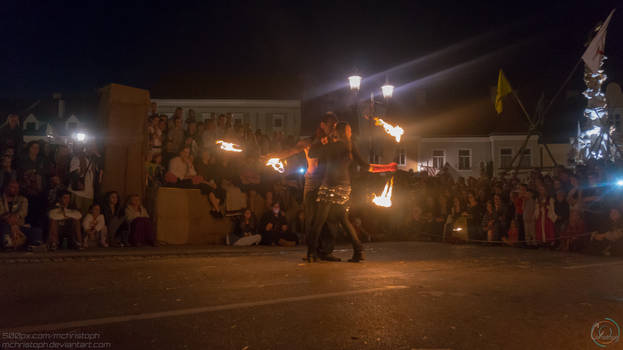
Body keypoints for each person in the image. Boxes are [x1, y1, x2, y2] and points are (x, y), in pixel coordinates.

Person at [264, 112, 341, 261]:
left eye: (335, 126)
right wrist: (273, 156)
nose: (333, 128)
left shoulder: (334, 142)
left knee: (329, 219)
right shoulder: (309, 142)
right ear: (322, 124)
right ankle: (311, 252)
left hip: (327, 182)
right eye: (330, 125)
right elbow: (290, 151)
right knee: (311, 219)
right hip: (311, 182)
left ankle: (326, 251)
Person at [307, 122, 371, 262]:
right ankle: (358, 251)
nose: (351, 133)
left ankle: (311, 253)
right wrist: (385, 168)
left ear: (337, 132)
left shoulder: (330, 145)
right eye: (350, 130)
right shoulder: (350, 146)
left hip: (329, 187)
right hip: (344, 188)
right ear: (346, 132)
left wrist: (322, 140)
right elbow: (365, 166)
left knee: (319, 221)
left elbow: (312, 153)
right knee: (343, 219)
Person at [0, 180, 43, 249]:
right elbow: (1, 213)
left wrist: (14, 221)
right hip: (4, 225)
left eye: (17, 188)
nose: (16, 190)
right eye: (13, 187)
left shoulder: (23, 199)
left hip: (18, 225)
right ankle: (7, 243)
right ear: (6, 188)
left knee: (37, 231)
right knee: (4, 227)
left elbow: (23, 212)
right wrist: (10, 222)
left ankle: (34, 244)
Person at [69, 143, 102, 215]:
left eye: (95, 148)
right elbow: (74, 173)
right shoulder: (77, 158)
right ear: (86, 148)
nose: (93, 150)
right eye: (92, 147)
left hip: (89, 193)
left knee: (85, 214)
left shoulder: (94, 161)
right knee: (75, 214)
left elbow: (98, 173)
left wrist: (98, 158)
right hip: (78, 192)